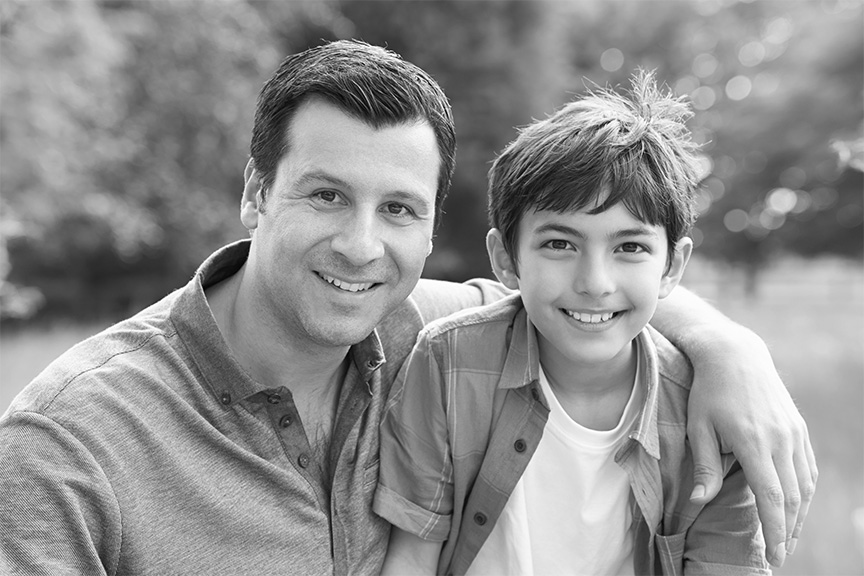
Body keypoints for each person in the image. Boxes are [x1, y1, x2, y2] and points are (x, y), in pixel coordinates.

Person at [0, 40, 813, 575]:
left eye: (398, 209)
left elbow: (588, 301)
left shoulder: (436, 330)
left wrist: (727, 348)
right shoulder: (72, 442)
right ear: (256, 193)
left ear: (432, 226)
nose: (361, 248)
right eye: (325, 195)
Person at [375, 71, 770, 575]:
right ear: (505, 258)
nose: (594, 282)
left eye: (630, 247)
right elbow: (412, 557)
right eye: (560, 244)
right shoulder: (450, 362)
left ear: (671, 266)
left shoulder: (710, 410)